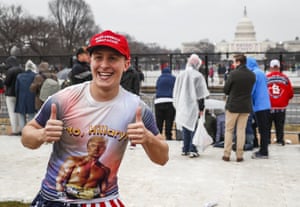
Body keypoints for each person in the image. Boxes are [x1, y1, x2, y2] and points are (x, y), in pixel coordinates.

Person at [21, 30, 169, 207]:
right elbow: (26, 136)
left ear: (126, 64)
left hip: (103, 201)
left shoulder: (136, 108)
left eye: (113, 58)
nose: (104, 65)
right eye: (98, 57)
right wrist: (41, 135)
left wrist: (148, 138)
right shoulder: (64, 99)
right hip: (54, 200)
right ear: (90, 61)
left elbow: (162, 158)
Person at [173, 54, 210, 158]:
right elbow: (201, 93)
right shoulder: (198, 76)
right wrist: (201, 107)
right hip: (194, 105)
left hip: (182, 104)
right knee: (193, 126)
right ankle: (192, 149)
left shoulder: (181, 74)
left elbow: (176, 90)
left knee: (186, 125)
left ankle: (185, 148)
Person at [222, 54, 255, 162]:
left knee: (229, 130)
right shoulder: (252, 75)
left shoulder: (233, 74)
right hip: (246, 106)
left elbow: (226, 90)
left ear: (239, 62)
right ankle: (239, 155)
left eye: (234, 62)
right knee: (241, 130)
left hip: (233, 106)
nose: (233, 64)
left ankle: (226, 154)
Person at [246, 57, 271, 159]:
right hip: (265, 104)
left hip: (259, 106)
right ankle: (261, 147)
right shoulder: (260, 72)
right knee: (263, 128)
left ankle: (263, 152)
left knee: (262, 129)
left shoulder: (254, 74)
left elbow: (251, 91)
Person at [266, 59, 294, 146]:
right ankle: (280, 140)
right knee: (280, 126)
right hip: (281, 107)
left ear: (270, 67)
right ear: (279, 67)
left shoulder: (266, 78)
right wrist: (284, 100)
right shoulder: (285, 78)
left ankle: (267, 141)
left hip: (269, 106)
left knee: (267, 126)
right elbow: (290, 93)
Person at [154, 63, 176, 140]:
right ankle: (168, 136)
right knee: (169, 120)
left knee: (159, 121)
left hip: (158, 101)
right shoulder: (173, 78)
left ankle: (158, 136)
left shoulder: (159, 78)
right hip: (170, 101)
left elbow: (156, 88)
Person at [15, 60, 37, 131]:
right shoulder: (35, 76)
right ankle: (30, 130)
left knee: (21, 115)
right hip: (32, 97)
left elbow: (16, 89)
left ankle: (23, 130)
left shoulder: (19, 76)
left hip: (21, 97)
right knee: (31, 115)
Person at [4, 56, 23, 135]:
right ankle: (20, 128)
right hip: (19, 93)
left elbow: (7, 83)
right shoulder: (21, 70)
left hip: (10, 94)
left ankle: (15, 130)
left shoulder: (10, 71)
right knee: (19, 112)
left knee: (12, 112)